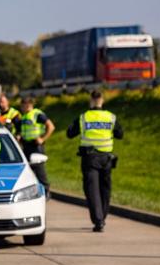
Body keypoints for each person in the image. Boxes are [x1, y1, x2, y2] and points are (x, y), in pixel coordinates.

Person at [66, 90, 124, 232]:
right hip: (106, 158)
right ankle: (102, 216)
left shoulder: (83, 118)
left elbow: (70, 134)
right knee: (105, 189)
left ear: (90, 101)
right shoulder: (110, 117)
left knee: (92, 190)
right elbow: (120, 134)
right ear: (102, 100)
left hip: (90, 159)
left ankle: (98, 221)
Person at [15, 97, 55, 196]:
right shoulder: (25, 116)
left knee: (39, 170)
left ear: (28, 105)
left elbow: (51, 126)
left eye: (22, 106)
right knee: (30, 171)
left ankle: (46, 192)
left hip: (36, 147)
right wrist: (20, 136)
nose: (21, 108)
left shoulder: (37, 114)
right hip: (26, 146)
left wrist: (42, 139)